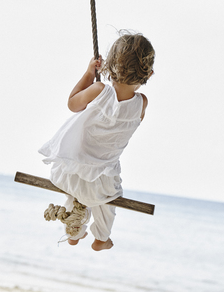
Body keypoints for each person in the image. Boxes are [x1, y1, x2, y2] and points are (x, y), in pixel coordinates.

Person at [39, 31, 155, 251]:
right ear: (148, 73)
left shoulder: (99, 90)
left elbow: (73, 104)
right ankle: (101, 238)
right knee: (106, 202)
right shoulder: (142, 104)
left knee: (76, 195)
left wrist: (88, 74)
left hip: (68, 175)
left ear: (109, 66)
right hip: (102, 184)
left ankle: (74, 232)